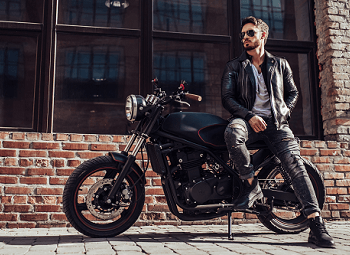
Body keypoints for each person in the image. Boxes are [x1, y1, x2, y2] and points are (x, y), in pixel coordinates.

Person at [221, 16, 335, 248]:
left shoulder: (280, 64)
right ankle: (252, 185)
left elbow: (293, 93)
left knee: (295, 163)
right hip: (246, 120)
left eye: (250, 33)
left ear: (263, 35)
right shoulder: (234, 66)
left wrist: (283, 114)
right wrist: (249, 116)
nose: (245, 38)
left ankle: (316, 225)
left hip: (277, 125)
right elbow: (227, 98)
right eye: (243, 34)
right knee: (232, 134)